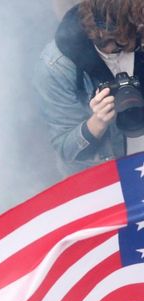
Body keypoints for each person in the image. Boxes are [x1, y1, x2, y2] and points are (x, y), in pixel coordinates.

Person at [33, 0, 144, 175]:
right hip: (107, 177)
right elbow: (66, 150)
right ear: (103, 31)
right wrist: (97, 122)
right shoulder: (56, 67)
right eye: (135, 34)